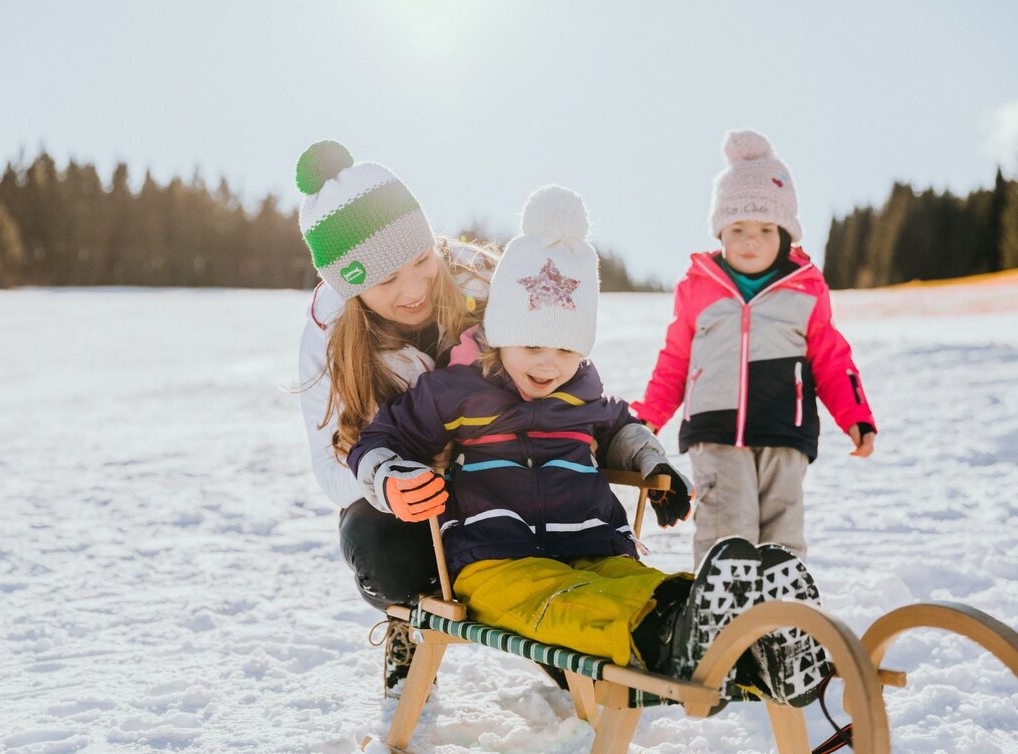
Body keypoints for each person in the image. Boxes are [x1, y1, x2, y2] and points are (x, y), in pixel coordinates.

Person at [347, 185, 830, 706]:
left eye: (566, 349)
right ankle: (667, 638)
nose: (547, 365)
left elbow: (620, 427)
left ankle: (742, 632)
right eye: (530, 345)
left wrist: (654, 465)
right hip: (497, 561)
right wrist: (391, 480)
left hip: (594, 544)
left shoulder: (584, 390)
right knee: (562, 604)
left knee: (630, 581)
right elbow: (380, 440)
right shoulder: (455, 390)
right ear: (501, 333)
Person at [294, 140, 494, 696]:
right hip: (409, 498)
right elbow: (332, 468)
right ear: (350, 285)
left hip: (501, 475)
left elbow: (559, 365)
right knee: (375, 540)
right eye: (385, 281)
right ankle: (409, 616)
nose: (414, 290)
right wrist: (387, 485)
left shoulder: (482, 284)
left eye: (422, 261)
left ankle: (558, 641)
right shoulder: (329, 338)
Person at [632, 129, 877, 570]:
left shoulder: (805, 289)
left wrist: (855, 416)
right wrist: (650, 415)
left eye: (765, 229)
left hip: (786, 428)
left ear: (786, 234)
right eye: (738, 228)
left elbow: (832, 358)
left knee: (782, 532)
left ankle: (779, 618)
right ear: (720, 231)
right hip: (715, 429)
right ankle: (722, 619)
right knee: (727, 525)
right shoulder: (698, 288)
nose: (750, 241)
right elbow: (674, 360)